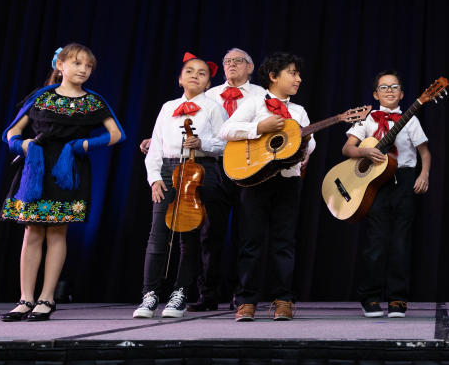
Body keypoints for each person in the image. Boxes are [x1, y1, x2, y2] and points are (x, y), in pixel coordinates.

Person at [1, 44, 125, 322]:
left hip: (68, 169)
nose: (83, 69)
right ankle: (25, 299)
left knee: (57, 232)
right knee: (32, 231)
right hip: (37, 167)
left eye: (88, 66)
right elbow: (11, 132)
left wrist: (83, 144)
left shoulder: (93, 101)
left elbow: (117, 134)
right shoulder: (41, 97)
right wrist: (24, 146)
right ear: (61, 66)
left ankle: (47, 298)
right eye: (77, 63)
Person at [219, 52, 314, 322]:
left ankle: (283, 299)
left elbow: (311, 145)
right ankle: (246, 300)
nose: (298, 78)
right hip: (256, 180)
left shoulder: (298, 112)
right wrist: (259, 127)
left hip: (287, 181)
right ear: (273, 77)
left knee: (284, 242)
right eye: (292, 73)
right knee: (251, 240)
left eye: (298, 74)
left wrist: (300, 144)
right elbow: (227, 130)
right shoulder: (254, 102)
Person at [133, 53, 227, 319]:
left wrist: (203, 144)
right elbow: (156, 146)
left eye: (202, 73)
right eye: (189, 71)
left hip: (201, 169)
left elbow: (226, 144)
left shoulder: (213, 108)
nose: (195, 75)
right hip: (168, 168)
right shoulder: (168, 107)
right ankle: (150, 294)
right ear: (180, 78)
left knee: (189, 236)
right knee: (158, 234)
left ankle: (181, 293)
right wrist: (154, 178)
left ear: (209, 83)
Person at [344, 70, 430, 318]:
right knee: (376, 242)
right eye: (384, 87)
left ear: (402, 93)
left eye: (395, 87)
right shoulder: (366, 120)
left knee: (401, 242)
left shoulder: (410, 119)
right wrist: (364, 152)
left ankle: (397, 298)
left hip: (403, 180)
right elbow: (347, 148)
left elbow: (424, 152)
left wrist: (423, 175)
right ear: (375, 93)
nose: (389, 91)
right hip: (374, 183)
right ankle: (370, 297)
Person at [191, 48, 266, 311]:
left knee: (247, 233)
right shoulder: (209, 95)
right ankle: (208, 294)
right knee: (210, 233)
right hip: (214, 168)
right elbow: (193, 129)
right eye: (227, 61)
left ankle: (242, 294)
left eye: (238, 61)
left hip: (249, 168)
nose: (231, 65)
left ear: (250, 67)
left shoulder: (260, 96)